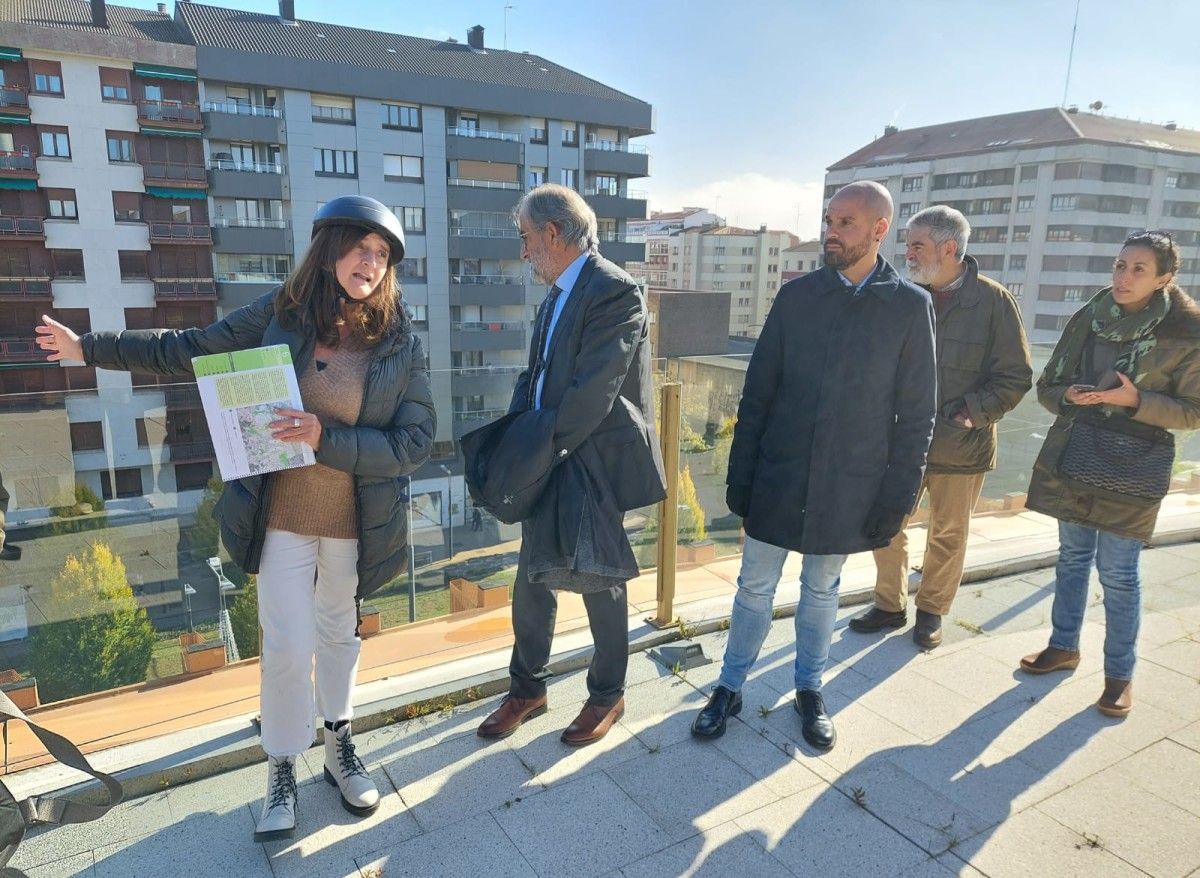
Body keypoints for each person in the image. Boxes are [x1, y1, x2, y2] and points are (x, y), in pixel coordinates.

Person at [34, 196, 435, 839]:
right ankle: (281, 764)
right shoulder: (282, 314)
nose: (371, 263)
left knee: (339, 639)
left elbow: (414, 444)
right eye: (360, 247)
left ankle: (339, 745)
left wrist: (321, 436)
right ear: (329, 248)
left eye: (382, 255)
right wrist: (90, 349)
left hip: (358, 522)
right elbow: (189, 348)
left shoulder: (397, 342)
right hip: (280, 514)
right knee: (285, 645)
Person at [691, 181, 937, 750]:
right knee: (754, 586)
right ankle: (729, 687)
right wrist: (741, 476)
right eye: (830, 219)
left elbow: (917, 414)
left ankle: (809, 689)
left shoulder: (908, 307)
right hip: (780, 472)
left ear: (880, 229)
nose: (832, 230)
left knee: (822, 590)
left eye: (846, 222)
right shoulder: (798, 298)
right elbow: (758, 393)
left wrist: (896, 499)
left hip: (849, 482)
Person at [474, 183, 665, 746]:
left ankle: (608, 694)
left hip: (591, 459)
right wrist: (513, 438)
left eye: (526, 239)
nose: (522, 251)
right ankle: (527, 688)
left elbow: (594, 393)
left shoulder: (614, 290)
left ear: (552, 235)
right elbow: (536, 379)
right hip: (548, 451)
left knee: (600, 577)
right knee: (533, 577)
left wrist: (537, 450)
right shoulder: (558, 293)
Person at [1019, 231, 1200, 718]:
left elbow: (1193, 412)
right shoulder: (1091, 317)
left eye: (1139, 269)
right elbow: (1048, 385)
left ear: (1165, 277)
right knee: (1072, 558)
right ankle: (1063, 647)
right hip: (1077, 454)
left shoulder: (1186, 331)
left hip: (1133, 466)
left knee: (1119, 574)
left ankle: (1119, 676)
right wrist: (1068, 395)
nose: (1124, 276)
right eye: (1120, 265)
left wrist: (1135, 400)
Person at [850, 205, 1031, 649]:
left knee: (948, 534)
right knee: (886, 525)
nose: (907, 253)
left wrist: (972, 413)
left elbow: (1015, 375)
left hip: (961, 446)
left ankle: (931, 611)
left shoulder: (993, 302)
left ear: (949, 248)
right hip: (899, 444)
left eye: (917, 245)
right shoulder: (899, 296)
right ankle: (889, 605)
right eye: (908, 244)